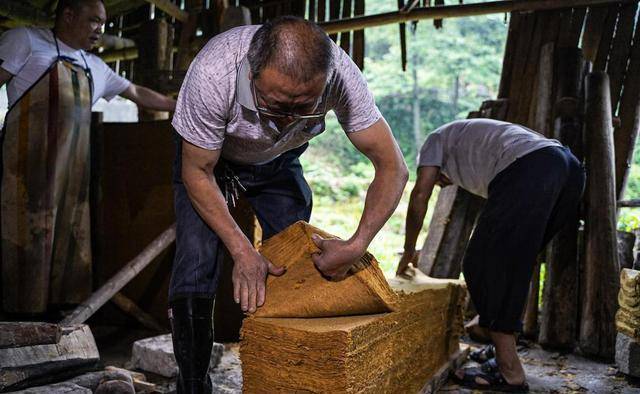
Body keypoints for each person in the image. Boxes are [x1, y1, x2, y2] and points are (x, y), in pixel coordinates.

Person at [170, 16, 408, 393]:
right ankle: (193, 383)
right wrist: (243, 250)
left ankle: (289, 377)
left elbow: (393, 167)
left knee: (295, 262)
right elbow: (197, 172)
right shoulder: (213, 73)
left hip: (279, 160)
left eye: (304, 108)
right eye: (277, 105)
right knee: (197, 262)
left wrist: (357, 244)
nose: (287, 119)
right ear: (251, 72)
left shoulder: (343, 77)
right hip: (211, 162)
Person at [0, 0, 176, 314]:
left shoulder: (94, 66)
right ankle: (15, 314)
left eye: (103, 22)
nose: (100, 30)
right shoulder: (25, 40)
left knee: (68, 241)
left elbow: (136, 92)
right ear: (68, 14)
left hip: (72, 177)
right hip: (26, 170)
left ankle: (55, 314)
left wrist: (179, 106)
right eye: (94, 21)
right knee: (21, 235)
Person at [397, 118, 584, 393]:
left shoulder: (434, 141)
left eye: (438, 180)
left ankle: (510, 373)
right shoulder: (476, 146)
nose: (443, 185)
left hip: (534, 168)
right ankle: (494, 339)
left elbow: (419, 195)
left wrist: (409, 249)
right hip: (570, 171)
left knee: (481, 264)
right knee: (513, 262)